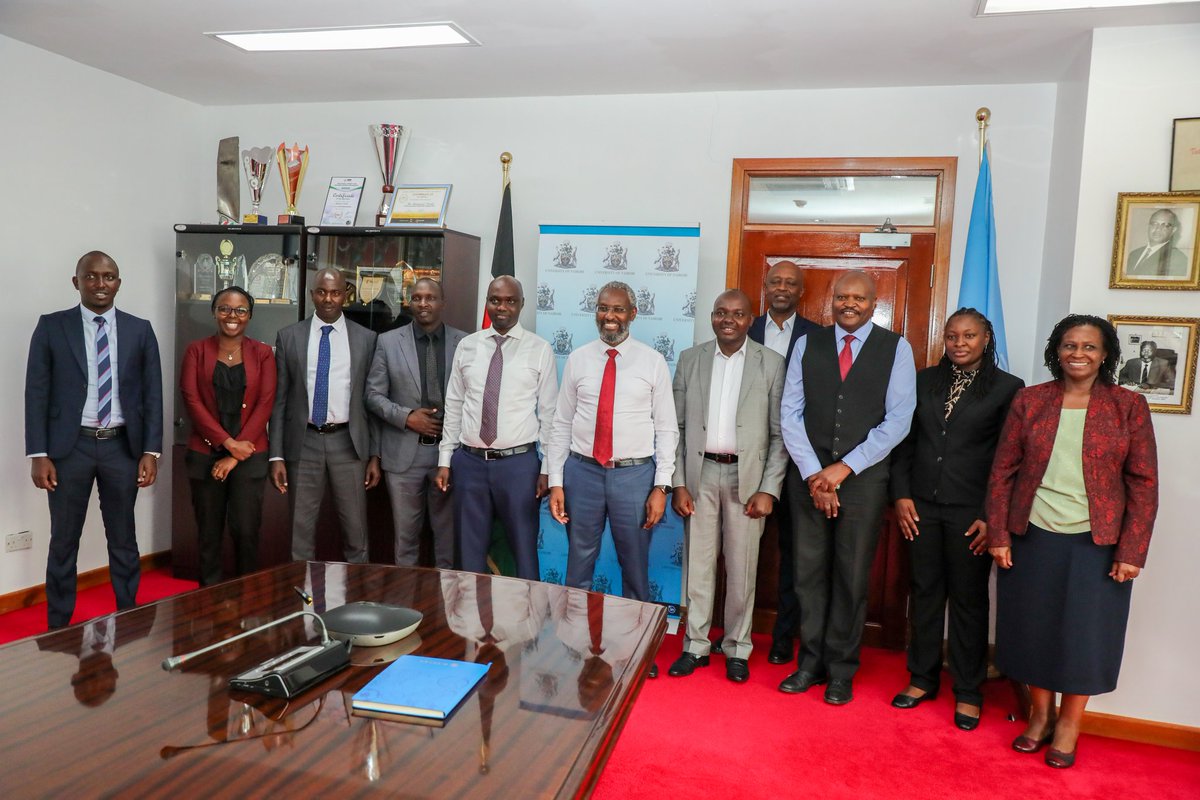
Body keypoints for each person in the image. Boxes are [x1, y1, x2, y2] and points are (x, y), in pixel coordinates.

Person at [987, 314, 1157, 769]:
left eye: (1089, 347)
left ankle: (1069, 723)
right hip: (1033, 535)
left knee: (1085, 637)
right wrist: (999, 534)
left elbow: (1143, 483)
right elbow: (1003, 472)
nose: (1077, 354)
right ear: (1056, 351)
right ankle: (1040, 716)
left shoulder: (1127, 406)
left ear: (1105, 355)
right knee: (1034, 630)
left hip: (1097, 541)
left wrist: (1132, 551)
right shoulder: (1030, 401)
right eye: (1069, 346)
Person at [778, 269, 916, 704]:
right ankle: (810, 663)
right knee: (808, 576)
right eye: (842, 297)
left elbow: (898, 420)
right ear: (831, 301)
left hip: (863, 483)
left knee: (853, 578)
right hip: (808, 480)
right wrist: (815, 473)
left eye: (858, 298)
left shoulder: (896, 348)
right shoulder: (807, 344)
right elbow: (790, 414)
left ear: (874, 304)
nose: (849, 304)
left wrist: (844, 469)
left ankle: (841, 670)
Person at [888, 308, 1024, 730]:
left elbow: (1010, 461)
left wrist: (991, 516)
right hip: (921, 507)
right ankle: (922, 678)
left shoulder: (1008, 388)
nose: (959, 343)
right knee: (924, 592)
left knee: (968, 600)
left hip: (972, 513)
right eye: (951, 336)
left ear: (986, 338)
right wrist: (901, 495)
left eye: (968, 336)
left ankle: (967, 689)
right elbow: (903, 442)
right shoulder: (924, 379)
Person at [25, 251, 163, 629]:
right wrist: (39, 453)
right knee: (64, 540)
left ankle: (129, 613)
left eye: (109, 277)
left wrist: (151, 450)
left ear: (119, 282)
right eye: (92, 277)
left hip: (122, 447)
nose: (100, 284)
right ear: (77, 282)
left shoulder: (139, 329)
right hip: (71, 450)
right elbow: (36, 392)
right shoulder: (53, 327)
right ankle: (58, 625)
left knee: (123, 537)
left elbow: (152, 395)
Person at [667, 290, 787, 683]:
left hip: (746, 480)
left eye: (737, 313)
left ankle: (737, 648)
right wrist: (679, 483)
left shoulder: (771, 363)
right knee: (698, 568)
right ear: (712, 317)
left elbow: (779, 435)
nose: (728, 319)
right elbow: (678, 428)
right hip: (700, 477)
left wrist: (769, 489)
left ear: (751, 319)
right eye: (721, 313)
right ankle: (696, 646)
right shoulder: (690, 359)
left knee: (742, 570)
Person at [547, 281, 678, 607]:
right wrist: (556, 482)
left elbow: (666, 428)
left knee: (634, 567)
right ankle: (573, 648)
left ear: (632, 314)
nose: (609, 315)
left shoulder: (652, 361)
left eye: (618, 309)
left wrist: (661, 486)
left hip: (634, 477)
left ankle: (638, 651)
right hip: (582, 473)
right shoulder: (578, 359)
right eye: (603, 308)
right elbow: (561, 423)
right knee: (578, 567)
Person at [435, 276, 558, 580]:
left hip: (518, 465)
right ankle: (469, 624)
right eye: (495, 300)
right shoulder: (467, 346)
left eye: (510, 301)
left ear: (521, 305)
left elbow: (550, 416)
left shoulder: (539, 349)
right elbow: (454, 405)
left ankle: (527, 623)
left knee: (524, 550)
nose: (502, 307)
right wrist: (445, 460)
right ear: (487, 303)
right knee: (469, 552)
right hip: (470, 462)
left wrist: (547, 471)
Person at [270, 267, 381, 563]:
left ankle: (358, 603)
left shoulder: (367, 339)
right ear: (311, 295)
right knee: (300, 533)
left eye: (334, 292)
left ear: (346, 294)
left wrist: (375, 455)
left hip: (349, 443)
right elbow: (280, 401)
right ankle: (302, 604)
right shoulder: (289, 337)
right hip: (303, 443)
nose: (328, 299)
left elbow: (373, 402)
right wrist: (276, 455)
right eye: (321, 292)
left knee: (356, 534)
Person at [747, 260, 821, 665]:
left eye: (791, 283)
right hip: (744, 460)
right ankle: (737, 633)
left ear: (801, 292)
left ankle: (782, 636)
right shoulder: (744, 328)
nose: (782, 287)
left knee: (794, 556)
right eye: (775, 280)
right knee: (742, 551)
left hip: (796, 463)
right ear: (765, 285)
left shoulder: (817, 337)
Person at [179, 287, 276, 586]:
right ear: (214, 312)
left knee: (246, 532)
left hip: (250, 456)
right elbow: (191, 399)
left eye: (240, 310)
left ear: (249, 316)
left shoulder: (263, 353)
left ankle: (246, 597)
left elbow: (266, 402)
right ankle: (209, 597)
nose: (232, 316)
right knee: (208, 533)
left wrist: (234, 455)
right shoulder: (196, 350)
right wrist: (227, 443)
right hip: (206, 454)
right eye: (225, 309)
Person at [366, 278, 466, 568]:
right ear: (409, 303)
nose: (424, 304)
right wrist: (407, 417)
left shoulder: (465, 342)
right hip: (404, 455)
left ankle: (445, 607)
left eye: (430, 298)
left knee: (447, 540)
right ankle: (405, 611)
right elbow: (372, 396)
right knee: (405, 542)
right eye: (417, 298)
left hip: (450, 456)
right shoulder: (387, 341)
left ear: (442, 303)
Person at [1125, 209, 1189, 277]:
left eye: (1165, 225)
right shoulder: (1134, 254)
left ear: (1173, 230)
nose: (1158, 229)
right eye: (1154, 224)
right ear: (1148, 226)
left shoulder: (1179, 259)